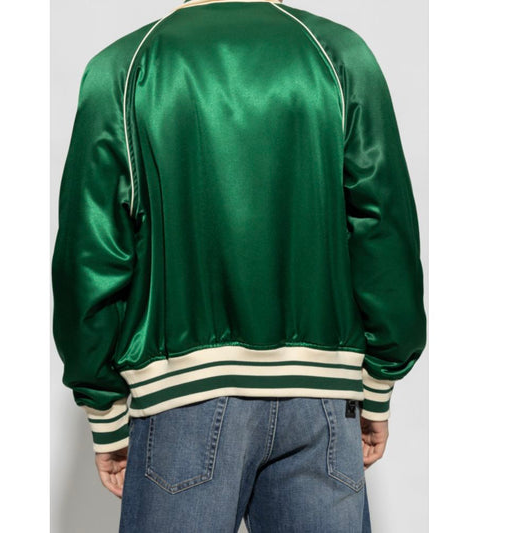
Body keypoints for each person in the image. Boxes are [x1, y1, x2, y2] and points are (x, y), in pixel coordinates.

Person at [51, 0, 427, 531]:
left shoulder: (124, 68)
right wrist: (379, 381)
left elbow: (88, 258)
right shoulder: (340, 56)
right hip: (321, 405)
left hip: (180, 403)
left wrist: (105, 410)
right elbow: (384, 228)